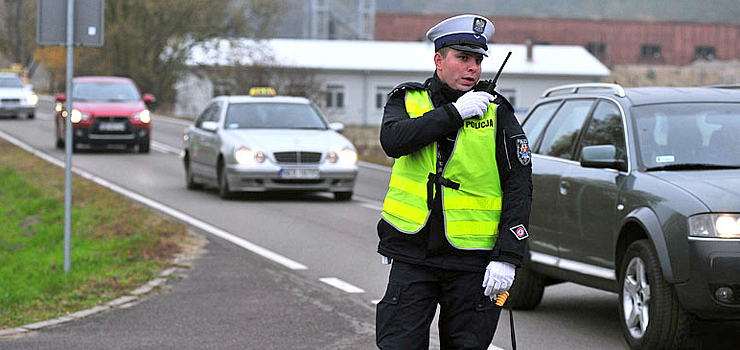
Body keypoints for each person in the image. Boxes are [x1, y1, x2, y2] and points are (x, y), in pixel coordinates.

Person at [375, 14, 533, 350]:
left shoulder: (496, 112)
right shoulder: (408, 100)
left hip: (472, 261)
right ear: (438, 60)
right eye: (463, 58)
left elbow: (519, 185)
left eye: (477, 60)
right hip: (414, 254)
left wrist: (508, 255)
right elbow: (394, 141)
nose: (472, 68)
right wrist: (455, 114)